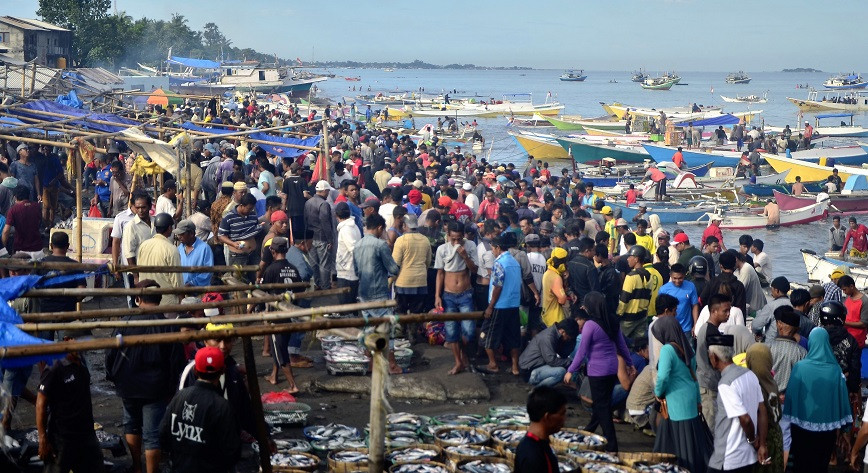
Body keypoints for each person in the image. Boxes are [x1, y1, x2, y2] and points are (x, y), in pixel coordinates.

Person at [105, 280, 186, 473]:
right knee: (152, 433)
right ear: (159, 300)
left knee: (131, 424)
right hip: (156, 388)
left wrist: (114, 377)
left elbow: (110, 354)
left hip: (128, 384)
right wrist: (171, 388)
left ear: (137, 299)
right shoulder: (168, 326)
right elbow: (177, 362)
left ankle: (137, 466)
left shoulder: (125, 322)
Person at [565, 292, 634, 452]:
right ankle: (589, 430)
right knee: (602, 403)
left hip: (597, 371)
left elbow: (582, 351)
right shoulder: (612, 321)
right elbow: (622, 345)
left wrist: (571, 370)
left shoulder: (590, 325)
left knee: (602, 407)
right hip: (612, 369)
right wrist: (630, 363)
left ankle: (612, 445)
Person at [160, 347, 242, 473]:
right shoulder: (222, 405)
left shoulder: (180, 395)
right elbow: (231, 450)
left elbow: (163, 433)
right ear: (222, 371)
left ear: (195, 371)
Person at [783, 328, 853, 473]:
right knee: (820, 465)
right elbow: (843, 400)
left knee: (801, 463)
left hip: (801, 428)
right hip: (827, 431)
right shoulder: (835, 371)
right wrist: (846, 429)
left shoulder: (800, 368)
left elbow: (791, 396)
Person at [36, 337, 104, 473]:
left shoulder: (81, 361)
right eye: (79, 339)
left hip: (86, 434)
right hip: (62, 438)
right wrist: (43, 438)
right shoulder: (55, 367)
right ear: (67, 339)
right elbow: (40, 404)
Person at [652, 316, 710, 473]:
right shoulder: (687, 347)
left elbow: (663, 376)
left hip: (676, 402)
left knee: (676, 445)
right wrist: (698, 400)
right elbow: (694, 377)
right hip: (690, 400)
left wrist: (658, 393)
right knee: (691, 443)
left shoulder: (667, 350)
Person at [707, 333, 768, 473]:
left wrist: (752, 441)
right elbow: (762, 410)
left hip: (730, 457)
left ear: (714, 357)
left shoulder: (726, 385)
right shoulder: (749, 375)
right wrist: (762, 444)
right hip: (748, 457)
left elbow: (745, 419)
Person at [353, 214, 403, 374]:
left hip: (363, 293)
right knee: (387, 329)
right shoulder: (380, 245)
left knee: (369, 328)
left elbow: (355, 271)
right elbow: (393, 269)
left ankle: (371, 365)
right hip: (379, 293)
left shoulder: (358, 245)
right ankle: (392, 364)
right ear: (380, 228)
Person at [434, 220, 478, 375]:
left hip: (466, 293)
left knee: (469, 331)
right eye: (453, 239)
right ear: (448, 235)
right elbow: (439, 273)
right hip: (448, 295)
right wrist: (437, 296)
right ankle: (458, 362)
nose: (456, 242)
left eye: (459, 238)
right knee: (451, 330)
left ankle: (463, 353)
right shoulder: (442, 249)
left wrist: (465, 256)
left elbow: (475, 269)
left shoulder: (470, 246)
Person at [261, 237, 302, 393]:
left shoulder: (270, 270)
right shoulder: (293, 268)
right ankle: (274, 375)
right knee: (279, 346)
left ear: (272, 251)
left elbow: (263, 292)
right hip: (291, 313)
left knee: (280, 350)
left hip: (277, 316)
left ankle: (293, 385)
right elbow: (300, 291)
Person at [480, 234, 522, 375]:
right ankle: (515, 367)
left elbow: (498, 286)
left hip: (500, 305)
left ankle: (493, 364)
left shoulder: (499, 263)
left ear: (498, 248)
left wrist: (490, 306)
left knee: (487, 336)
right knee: (513, 337)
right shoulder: (514, 262)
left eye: (493, 248)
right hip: (514, 304)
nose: (492, 251)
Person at [696, 294, 732, 430]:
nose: (728, 314)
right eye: (725, 311)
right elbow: (717, 360)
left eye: (729, 310)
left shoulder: (706, 328)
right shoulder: (712, 333)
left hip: (705, 380)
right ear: (713, 311)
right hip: (709, 384)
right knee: (710, 425)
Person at [514, 386, 566, 473]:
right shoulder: (533, 455)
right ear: (547, 417)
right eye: (562, 414)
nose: (564, 419)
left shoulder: (537, 444)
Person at [137, 213, 183, 305]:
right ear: (170, 228)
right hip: (166, 302)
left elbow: (139, 270)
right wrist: (182, 301)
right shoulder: (171, 250)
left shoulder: (144, 245)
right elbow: (177, 282)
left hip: (146, 301)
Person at [519, 319, 579, 387]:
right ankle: (537, 390)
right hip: (528, 371)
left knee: (565, 367)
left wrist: (571, 342)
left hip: (537, 366)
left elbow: (563, 354)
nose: (569, 339)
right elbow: (551, 361)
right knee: (560, 372)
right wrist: (571, 362)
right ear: (563, 332)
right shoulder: (548, 337)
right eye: (568, 337)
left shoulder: (557, 335)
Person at [391, 214, 432, 315]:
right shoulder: (425, 240)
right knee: (416, 315)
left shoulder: (400, 241)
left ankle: (401, 330)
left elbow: (395, 264)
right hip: (421, 282)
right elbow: (428, 262)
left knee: (401, 314)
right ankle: (413, 331)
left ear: (404, 225)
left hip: (403, 283)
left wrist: (390, 280)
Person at [218, 193, 263, 282]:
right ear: (241, 205)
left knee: (255, 277)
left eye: (252, 208)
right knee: (238, 280)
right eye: (248, 208)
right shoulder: (229, 217)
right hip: (237, 256)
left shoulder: (253, 215)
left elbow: (255, 228)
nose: (250, 210)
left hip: (252, 254)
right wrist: (233, 243)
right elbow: (221, 236)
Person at [617, 245, 654, 341]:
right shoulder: (649, 276)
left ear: (636, 259)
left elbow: (624, 299)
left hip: (628, 319)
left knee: (619, 344)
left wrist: (618, 315)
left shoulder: (631, 276)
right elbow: (649, 297)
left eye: (630, 257)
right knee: (639, 345)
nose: (628, 259)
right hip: (642, 317)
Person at [767, 306, 807, 392]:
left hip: (771, 395)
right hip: (790, 397)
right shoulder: (802, 352)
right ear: (797, 329)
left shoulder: (768, 347)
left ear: (780, 327)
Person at [305, 180, 336, 289]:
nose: (328, 194)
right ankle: (325, 286)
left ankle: (316, 284)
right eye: (327, 191)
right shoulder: (324, 204)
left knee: (313, 263)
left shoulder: (308, 202)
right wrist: (330, 240)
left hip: (310, 238)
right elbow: (325, 222)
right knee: (324, 264)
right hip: (322, 238)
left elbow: (305, 221)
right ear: (324, 191)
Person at [658, 263, 699, 339]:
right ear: (670, 275)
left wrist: (695, 324)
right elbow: (661, 311)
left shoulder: (691, 286)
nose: (677, 281)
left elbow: (695, 306)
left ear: (684, 275)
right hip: (669, 328)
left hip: (686, 329)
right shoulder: (663, 290)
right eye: (674, 278)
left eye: (680, 278)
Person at [3, 185, 43, 259]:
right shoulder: (37, 206)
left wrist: (3, 249)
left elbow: (6, 231)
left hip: (21, 251)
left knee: (20, 270)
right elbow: (39, 222)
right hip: (37, 249)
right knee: (36, 269)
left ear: (15, 197)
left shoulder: (13, 210)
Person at [335, 202, 361, 306]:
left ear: (337, 216)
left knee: (345, 306)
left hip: (347, 273)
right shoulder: (353, 226)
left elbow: (354, 249)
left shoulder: (346, 229)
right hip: (350, 271)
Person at [750, 276, 792, 341]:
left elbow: (756, 325)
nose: (771, 292)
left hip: (772, 343)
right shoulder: (793, 304)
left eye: (772, 289)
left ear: (777, 290)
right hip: (790, 341)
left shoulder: (771, 306)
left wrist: (759, 333)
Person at [175, 219, 213, 287]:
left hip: (200, 291)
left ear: (191, 234)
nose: (179, 237)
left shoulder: (204, 248)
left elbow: (208, 272)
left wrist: (192, 283)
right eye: (178, 234)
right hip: (182, 291)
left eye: (182, 234)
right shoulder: (179, 249)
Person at [839, 275, 868, 349]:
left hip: (857, 340)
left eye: (845, 289)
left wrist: (845, 323)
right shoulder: (848, 298)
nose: (844, 292)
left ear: (851, 286)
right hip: (846, 336)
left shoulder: (864, 301)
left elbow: (863, 324)